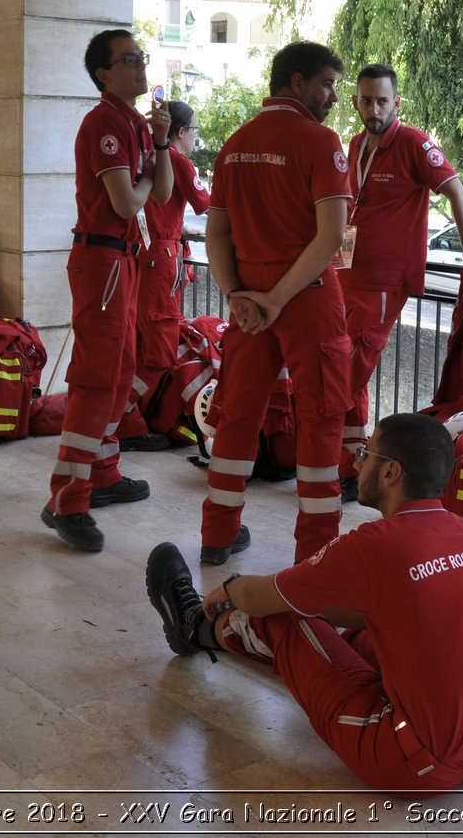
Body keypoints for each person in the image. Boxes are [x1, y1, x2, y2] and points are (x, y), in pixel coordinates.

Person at [146, 412, 463, 795]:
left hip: (414, 764)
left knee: (284, 619)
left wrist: (229, 588)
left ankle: (195, 629)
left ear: (391, 472)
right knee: (370, 628)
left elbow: (262, 598)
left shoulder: (377, 544)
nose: (356, 463)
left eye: (366, 454)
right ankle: (277, 653)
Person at [201, 41, 353, 566]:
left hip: (248, 300)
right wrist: (274, 299)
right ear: (298, 83)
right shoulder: (320, 142)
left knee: (239, 414)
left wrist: (239, 297)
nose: (334, 96)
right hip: (305, 295)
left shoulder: (234, 145)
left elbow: (215, 235)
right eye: (328, 84)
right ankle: (317, 552)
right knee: (322, 417)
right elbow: (330, 237)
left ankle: (218, 533)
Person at [40, 29, 172, 553]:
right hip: (102, 260)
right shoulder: (103, 123)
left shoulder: (137, 125)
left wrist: (161, 142)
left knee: (121, 369)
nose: (140, 67)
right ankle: (65, 499)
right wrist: (141, 185)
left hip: (124, 260)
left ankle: (104, 473)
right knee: (98, 376)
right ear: (103, 73)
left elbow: (159, 192)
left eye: (142, 59)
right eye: (129, 60)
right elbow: (127, 202)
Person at [337, 64, 463, 500]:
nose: (374, 108)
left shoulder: (415, 143)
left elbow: (457, 190)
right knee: (349, 375)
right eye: (366, 100)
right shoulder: (354, 145)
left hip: (384, 282)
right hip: (348, 274)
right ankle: (350, 467)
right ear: (356, 102)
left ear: (396, 103)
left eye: (382, 100)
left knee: (343, 375)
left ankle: (327, 464)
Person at [122, 101, 211, 452]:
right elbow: (208, 204)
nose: (195, 137)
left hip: (145, 253)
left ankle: (126, 416)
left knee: (143, 345)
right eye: (194, 130)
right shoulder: (177, 160)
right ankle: (120, 415)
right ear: (179, 132)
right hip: (161, 258)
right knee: (160, 350)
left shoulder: (147, 155)